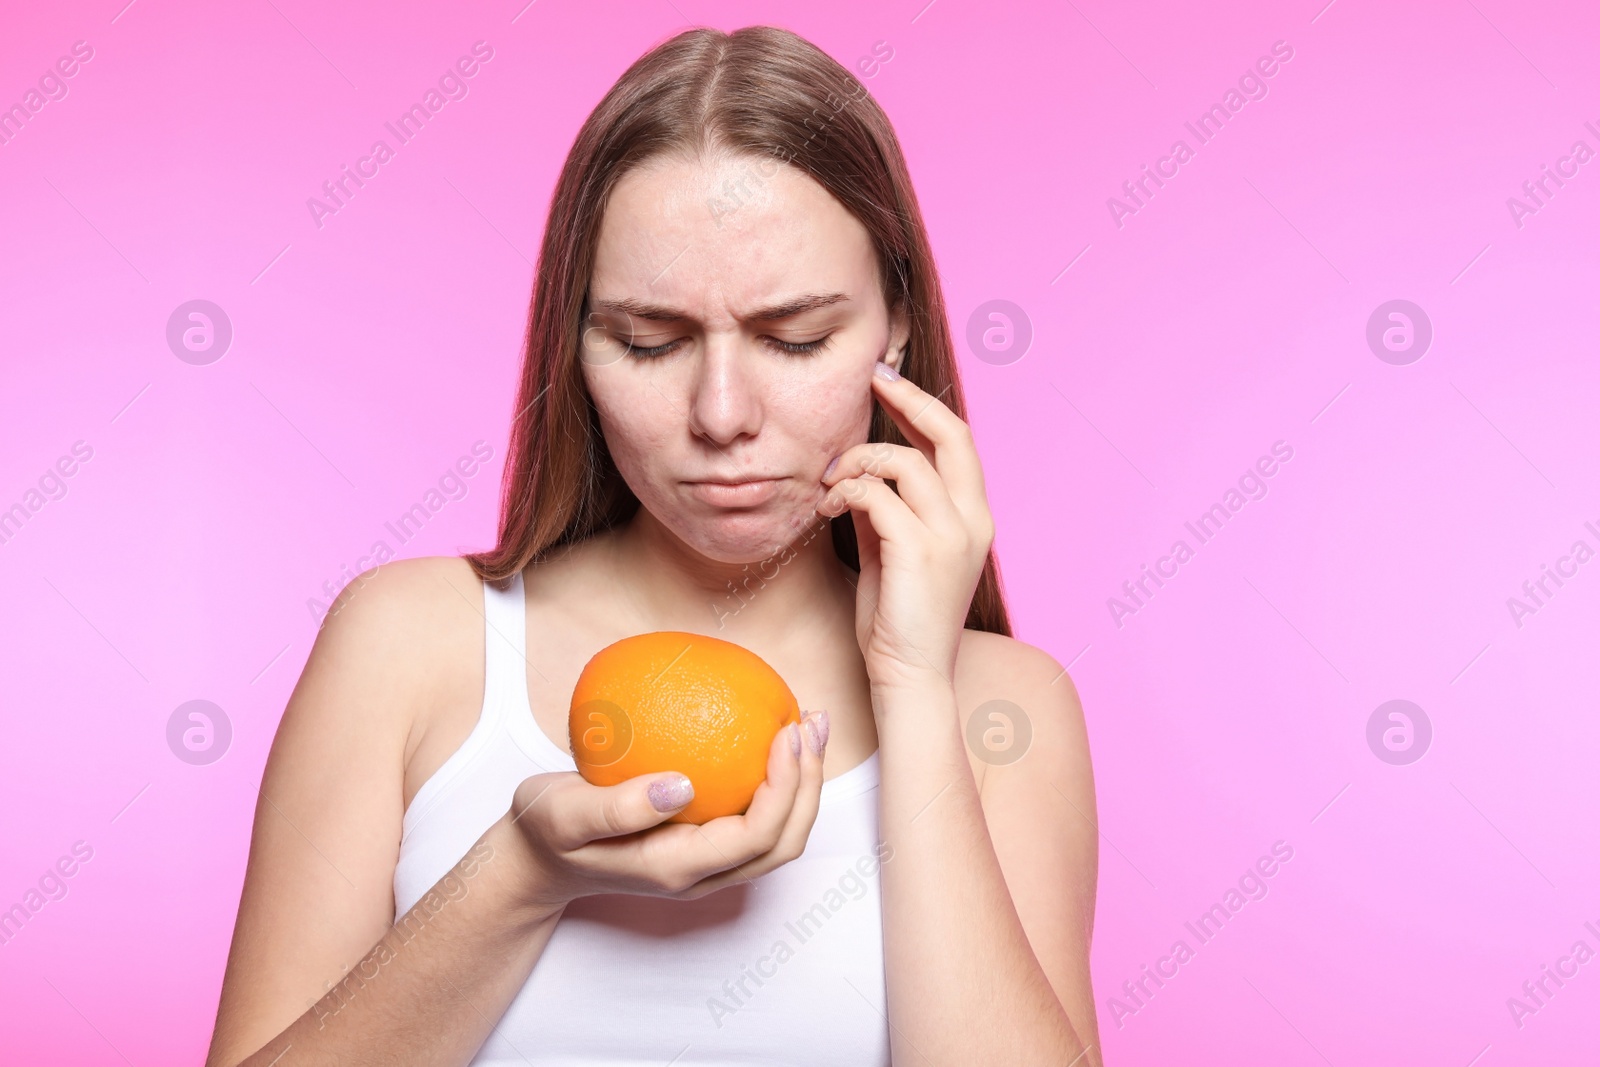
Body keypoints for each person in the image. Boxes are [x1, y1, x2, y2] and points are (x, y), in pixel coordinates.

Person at [205, 24, 1101, 1067]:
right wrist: (521, 875)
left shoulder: (1004, 707)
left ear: (893, 326)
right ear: (573, 339)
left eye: (795, 338)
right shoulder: (408, 645)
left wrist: (911, 684)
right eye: (649, 341)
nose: (721, 413)